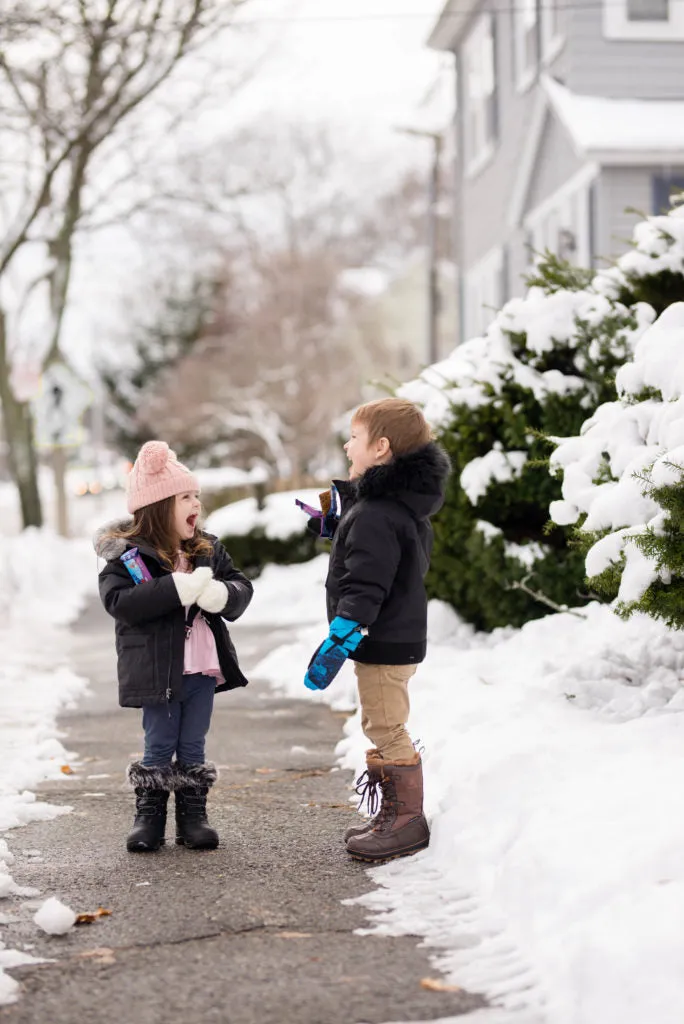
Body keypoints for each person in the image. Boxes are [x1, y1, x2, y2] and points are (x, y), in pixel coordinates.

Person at [303, 397, 450, 863]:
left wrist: (343, 633)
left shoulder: (376, 513)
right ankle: (392, 813)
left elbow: (367, 581)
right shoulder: (393, 506)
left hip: (382, 639)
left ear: (381, 447)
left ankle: (406, 820)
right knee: (378, 722)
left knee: (386, 726)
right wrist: (342, 525)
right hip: (392, 637)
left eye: (355, 438)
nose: (348, 446)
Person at [94, 440, 253, 853]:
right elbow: (120, 604)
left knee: (193, 741)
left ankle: (192, 818)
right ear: (159, 505)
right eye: (185, 496)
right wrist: (173, 588)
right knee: (160, 741)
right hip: (157, 668)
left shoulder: (206, 548)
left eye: (196, 495)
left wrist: (222, 594)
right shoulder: (128, 557)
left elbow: (241, 585)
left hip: (201, 664)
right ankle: (149, 818)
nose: (195, 503)